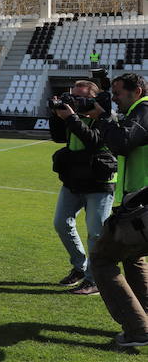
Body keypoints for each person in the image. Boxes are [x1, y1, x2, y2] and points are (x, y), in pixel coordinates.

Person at [81, 73, 148, 346]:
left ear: (137, 90)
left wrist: (102, 117)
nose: (115, 99)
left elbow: (121, 141)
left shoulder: (144, 110)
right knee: (133, 259)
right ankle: (143, 321)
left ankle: (138, 331)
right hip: (138, 206)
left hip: (142, 208)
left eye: (119, 93)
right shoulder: (139, 111)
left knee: (101, 260)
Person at [49, 80, 117, 295]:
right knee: (61, 223)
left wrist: (72, 118)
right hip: (73, 180)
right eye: (73, 96)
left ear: (93, 99)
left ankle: (94, 279)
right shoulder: (74, 117)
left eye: (80, 98)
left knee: (96, 233)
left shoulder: (106, 118)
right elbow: (58, 137)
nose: (75, 101)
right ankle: (80, 267)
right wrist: (56, 114)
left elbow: (95, 142)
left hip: (99, 182)